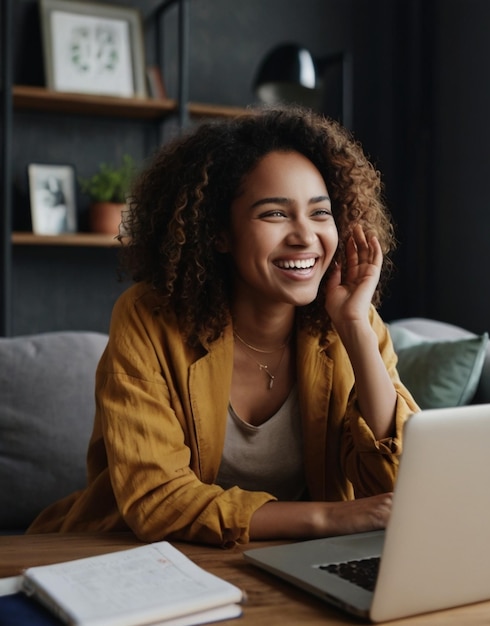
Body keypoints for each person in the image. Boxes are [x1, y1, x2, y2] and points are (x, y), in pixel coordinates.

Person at [28, 106, 419, 547]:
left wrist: (354, 328)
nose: (305, 236)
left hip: (297, 564)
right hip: (145, 557)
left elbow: (399, 486)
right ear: (218, 233)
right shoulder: (149, 319)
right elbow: (159, 501)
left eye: (320, 213)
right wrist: (331, 519)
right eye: (274, 214)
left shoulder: (353, 322)